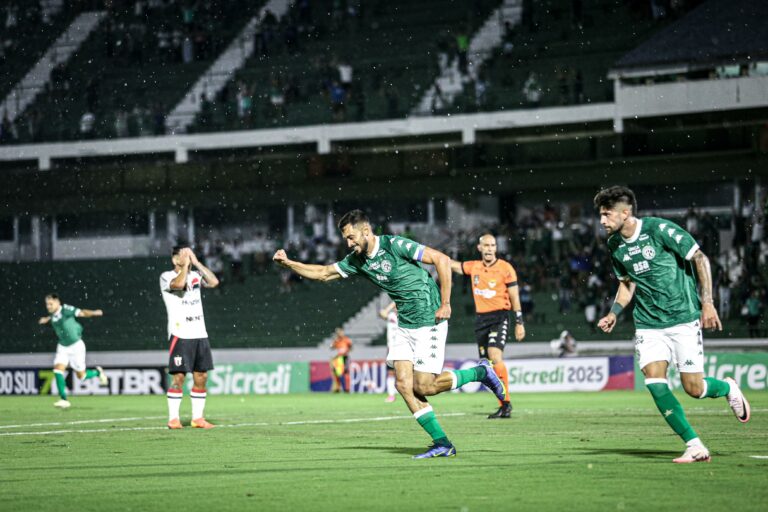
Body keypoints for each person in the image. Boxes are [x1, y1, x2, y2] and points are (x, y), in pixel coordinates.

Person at [273, 210, 506, 459]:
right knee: (403, 385)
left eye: (351, 237)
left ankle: (480, 373)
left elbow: (441, 259)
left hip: (430, 317)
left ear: (366, 231)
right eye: (346, 239)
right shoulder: (357, 260)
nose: (349, 244)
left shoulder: (394, 245)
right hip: (404, 323)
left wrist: (446, 302)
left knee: (424, 386)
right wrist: (289, 264)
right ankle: (442, 443)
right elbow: (323, 273)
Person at [594, 185, 751, 464]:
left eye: (607, 214)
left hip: (682, 318)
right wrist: (614, 312)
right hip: (648, 323)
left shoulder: (659, 230)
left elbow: (700, 258)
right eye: (601, 215)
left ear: (625, 213)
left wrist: (707, 302)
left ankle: (728, 388)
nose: (602, 220)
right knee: (654, 382)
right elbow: (627, 284)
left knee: (695, 389)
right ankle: (694, 445)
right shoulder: (614, 244)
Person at [450, 233, 525, 419]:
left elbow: (515, 296)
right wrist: (433, 257)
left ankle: (506, 403)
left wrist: (519, 322)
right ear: (480, 248)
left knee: (494, 355)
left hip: (499, 317)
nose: (490, 249)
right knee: (486, 365)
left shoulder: (505, 268)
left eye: (493, 245)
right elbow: (454, 265)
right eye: (486, 245)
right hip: (481, 320)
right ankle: (503, 405)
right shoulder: (474, 266)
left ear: (496, 248)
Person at [160, 245, 220, 430]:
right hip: (180, 334)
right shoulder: (166, 276)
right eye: (184, 255)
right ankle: (173, 419)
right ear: (174, 259)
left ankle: (197, 419)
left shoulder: (195, 275)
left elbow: (214, 282)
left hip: (200, 333)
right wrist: (185, 266)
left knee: (201, 376)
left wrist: (197, 262)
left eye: (189, 254)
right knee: (179, 377)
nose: (188, 257)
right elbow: (178, 285)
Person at [38, 294, 108, 408]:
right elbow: (52, 317)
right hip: (63, 347)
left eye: (51, 304)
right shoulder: (52, 314)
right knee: (57, 370)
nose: (48, 306)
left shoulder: (66, 309)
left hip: (76, 346)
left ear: (58, 302)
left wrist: (94, 313)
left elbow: (82, 313)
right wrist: (46, 319)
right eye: (47, 304)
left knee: (82, 376)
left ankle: (98, 372)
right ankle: (64, 399)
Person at [379, 302, 398, 402]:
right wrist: (391, 306)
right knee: (390, 372)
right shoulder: (390, 316)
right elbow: (382, 313)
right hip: (391, 348)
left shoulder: (406, 316)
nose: (395, 308)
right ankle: (391, 395)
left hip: (403, 347)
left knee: (407, 372)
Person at [330, 327, 352, 393]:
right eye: (338, 333)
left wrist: (346, 351)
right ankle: (337, 388)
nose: (340, 334)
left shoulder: (346, 340)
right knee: (337, 373)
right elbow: (331, 347)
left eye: (340, 332)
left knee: (346, 372)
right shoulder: (337, 341)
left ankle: (347, 389)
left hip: (345, 357)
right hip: (339, 358)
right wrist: (334, 341)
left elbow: (351, 347)